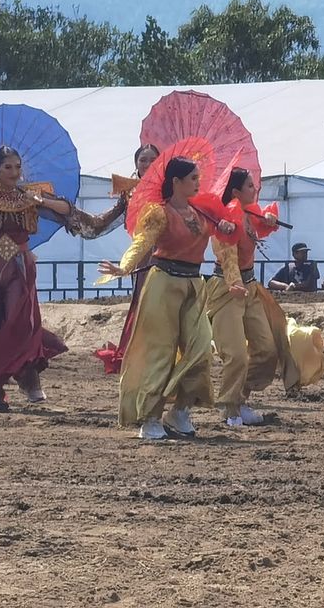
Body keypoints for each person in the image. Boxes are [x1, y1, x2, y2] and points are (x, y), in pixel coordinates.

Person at [0, 146, 117, 411]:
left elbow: (67, 210)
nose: (14, 172)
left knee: (21, 326)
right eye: (8, 167)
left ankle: (30, 384)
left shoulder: (30, 194)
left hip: (19, 266)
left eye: (17, 167)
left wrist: (42, 200)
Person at [97, 156, 238, 440]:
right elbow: (142, 243)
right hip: (163, 284)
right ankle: (149, 417)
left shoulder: (202, 212)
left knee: (201, 348)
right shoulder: (158, 213)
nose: (199, 183)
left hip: (194, 285)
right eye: (193, 179)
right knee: (160, 352)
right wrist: (124, 267)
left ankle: (180, 410)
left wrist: (226, 229)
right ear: (176, 182)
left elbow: (223, 239)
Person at [205, 168, 281, 428]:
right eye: (250, 185)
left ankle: (240, 399)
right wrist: (234, 282)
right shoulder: (228, 217)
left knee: (267, 349)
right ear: (236, 191)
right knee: (235, 353)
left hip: (248, 286)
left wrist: (268, 219)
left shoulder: (250, 212)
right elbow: (226, 254)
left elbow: (262, 222)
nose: (255, 189)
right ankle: (229, 408)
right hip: (227, 288)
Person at [93, 143, 161, 375]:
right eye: (144, 160)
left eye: (153, 160)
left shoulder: (170, 188)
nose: (148, 164)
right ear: (136, 163)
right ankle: (143, 356)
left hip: (170, 252)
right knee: (144, 304)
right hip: (142, 255)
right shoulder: (128, 191)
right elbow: (105, 220)